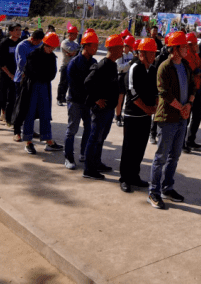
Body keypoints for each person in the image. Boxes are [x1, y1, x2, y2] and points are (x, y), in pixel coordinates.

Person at [148, 31, 193, 209]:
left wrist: (189, 104)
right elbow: (164, 92)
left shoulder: (186, 66)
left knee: (175, 156)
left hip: (182, 117)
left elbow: (193, 87)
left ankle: (168, 187)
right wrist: (181, 107)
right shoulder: (164, 67)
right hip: (168, 117)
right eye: (183, 46)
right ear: (174, 49)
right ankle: (154, 192)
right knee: (161, 157)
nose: (186, 49)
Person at [119, 37, 159, 192]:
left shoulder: (153, 69)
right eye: (151, 53)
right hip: (132, 116)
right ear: (142, 54)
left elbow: (156, 91)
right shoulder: (134, 68)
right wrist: (146, 109)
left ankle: (134, 176)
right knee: (129, 148)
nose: (153, 56)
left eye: (154, 53)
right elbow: (132, 93)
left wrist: (154, 106)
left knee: (140, 148)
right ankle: (124, 178)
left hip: (146, 117)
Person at [82, 34, 123, 179]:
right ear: (113, 49)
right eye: (121, 48)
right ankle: (89, 169)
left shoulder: (112, 65)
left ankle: (96, 163)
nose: (123, 51)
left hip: (108, 109)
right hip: (100, 110)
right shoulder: (102, 65)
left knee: (100, 138)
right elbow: (88, 82)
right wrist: (96, 99)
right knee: (94, 138)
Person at [20, 32, 63, 155]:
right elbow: (30, 72)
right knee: (30, 113)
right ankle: (28, 142)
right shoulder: (33, 55)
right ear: (45, 44)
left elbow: (52, 74)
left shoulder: (52, 57)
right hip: (32, 86)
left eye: (53, 48)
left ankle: (48, 141)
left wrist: (44, 76)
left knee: (45, 113)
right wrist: (42, 76)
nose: (51, 50)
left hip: (45, 86)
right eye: (50, 47)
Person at [63, 29, 99, 170]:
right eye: (93, 46)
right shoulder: (74, 63)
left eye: (96, 45)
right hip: (75, 101)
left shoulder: (94, 62)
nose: (96, 48)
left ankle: (84, 153)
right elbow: (74, 86)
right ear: (85, 46)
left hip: (88, 103)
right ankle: (68, 157)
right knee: (72, 129)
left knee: (89, 128)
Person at [11, 30, 45, 141]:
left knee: (32, 107)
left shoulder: (40, 45)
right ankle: (16, 131)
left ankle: (29, 129)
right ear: (33, 39)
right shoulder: (22, 46)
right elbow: (21, 63)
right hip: (22, 79)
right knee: (20, 106)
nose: (39, 44)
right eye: (38, 41)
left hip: (34, 81)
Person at [0, 24, 22, 131]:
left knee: (12, 99)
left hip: (16, 76)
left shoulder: (21, 43)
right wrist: (9, 75)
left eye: (19, 30)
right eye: (16, 30)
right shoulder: (4, 43)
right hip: (4, 74)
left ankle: (8, 121)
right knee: (0, 97)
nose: (19, 32)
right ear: (10, 32)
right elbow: (1, 62)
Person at [183, 32, 201, 153]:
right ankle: (182, 143)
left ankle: (190, 140)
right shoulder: (186, 56)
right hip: (187, 91)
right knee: (186, 117)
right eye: (194, 43)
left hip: (196, 90)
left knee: (197, 116)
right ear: (189, 44)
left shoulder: (196, 56)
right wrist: (197, 71)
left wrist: (199, 70)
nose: (197, 45)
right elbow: (193, 71)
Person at [56, 26, 80, 106]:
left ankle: (64, 98)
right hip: (65, 65)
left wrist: (73, 53)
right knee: (62, 83)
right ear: (70, 34)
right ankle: (59, 98)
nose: (76, 36)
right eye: (75, 34)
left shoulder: (76, 43)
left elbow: (76, 52)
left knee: (69, 83)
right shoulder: (64, 42)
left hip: (73, 66)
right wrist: (73, 52)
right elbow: (71, 51)